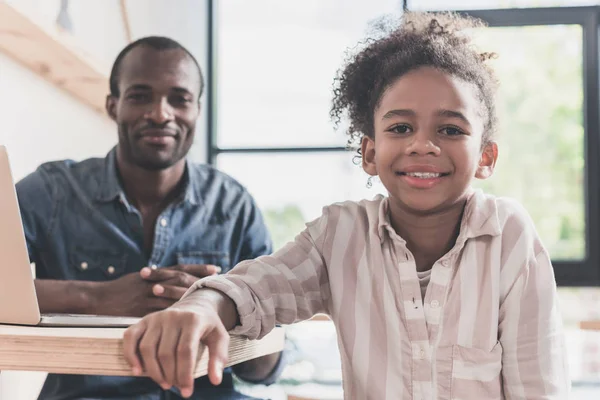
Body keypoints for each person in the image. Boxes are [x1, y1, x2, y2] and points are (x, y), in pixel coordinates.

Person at [122, 13, 570, 399]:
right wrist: (199, 308)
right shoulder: (341, 233)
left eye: (451, 130)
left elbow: (539, 386)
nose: (423, 145)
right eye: (399, 128)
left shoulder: (509, 235)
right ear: (370, 154)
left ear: (486, 157)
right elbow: (259, 287)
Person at [16, 36, 283, 400]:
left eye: (179, 99)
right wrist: (95, 298)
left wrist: (226, 311)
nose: (160, 113)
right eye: (140, 96)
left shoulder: (234, 205)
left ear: (197, 111)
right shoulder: (52, 191)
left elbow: (265, 368)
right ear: (113, 106)